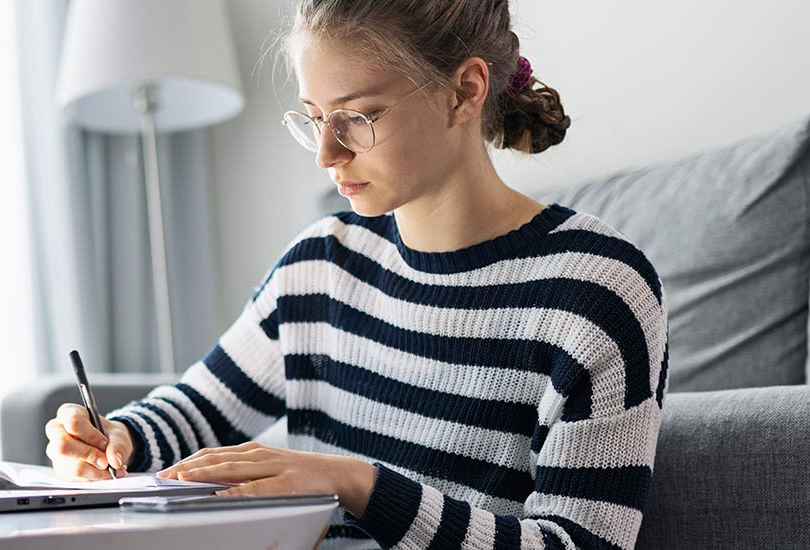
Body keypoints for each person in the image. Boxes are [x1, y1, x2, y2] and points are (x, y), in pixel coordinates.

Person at [43, 1, 668, 548]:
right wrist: (116, 436)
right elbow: (198, 410)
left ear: (465, 89)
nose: (326, 154)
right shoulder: (320, 265)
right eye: (315, 117)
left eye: (357, 116)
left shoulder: (597, 292)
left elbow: (580, 542)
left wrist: (358, 485)